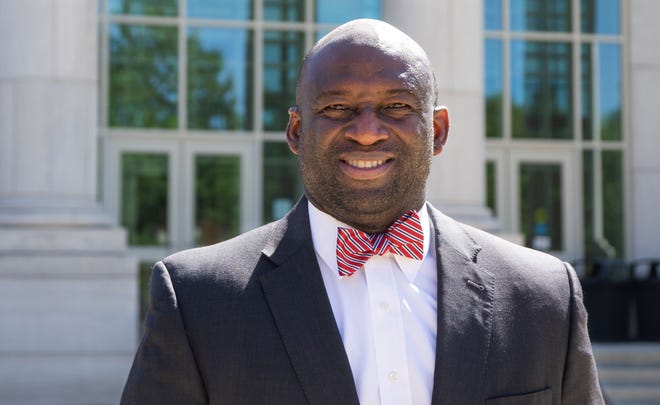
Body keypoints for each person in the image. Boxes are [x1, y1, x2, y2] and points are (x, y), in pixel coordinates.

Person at [120, 19, 604, 405]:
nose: (367, 132)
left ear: (437, 131)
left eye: (397, 106)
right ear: (296, 131)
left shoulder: (544, 296)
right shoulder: (198, 301)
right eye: (337, 108)